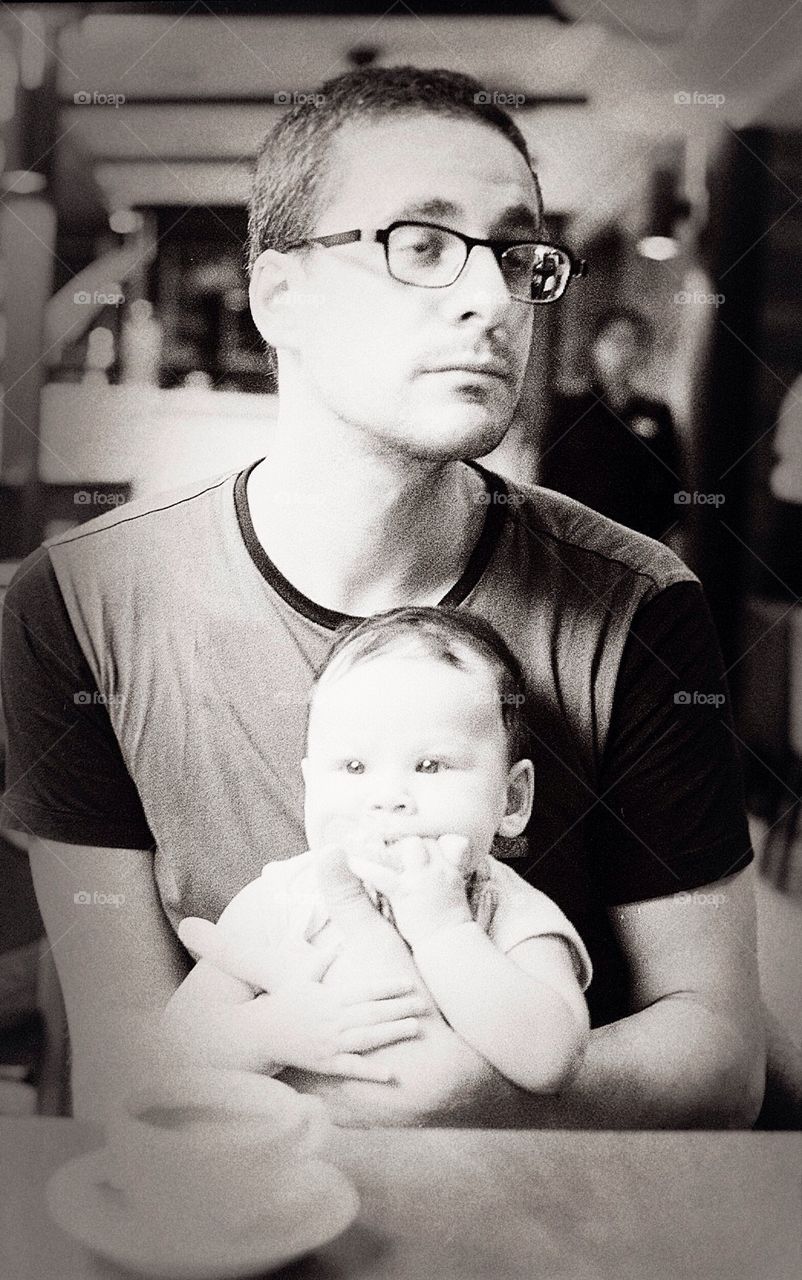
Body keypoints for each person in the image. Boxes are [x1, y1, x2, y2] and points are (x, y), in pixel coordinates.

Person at [1, 65, 764, 1129]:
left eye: (516, 255)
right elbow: (124, 1058)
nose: (492, 299)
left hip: (542, 1202)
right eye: (423, 244)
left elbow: (724, 1061)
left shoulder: (637, 601)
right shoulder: (78, 602)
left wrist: (467, 1097)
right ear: (280, 296)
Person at [164, 607, 591, 1115]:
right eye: (354, 766)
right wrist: (269, 1032)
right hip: (294, 1153)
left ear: (512, 799)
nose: (388, 798)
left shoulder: (508, 909)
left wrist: (445, 931)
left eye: (429, 765)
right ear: (310, 787)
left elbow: (551, 1061)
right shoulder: (284, 900)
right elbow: (175, 1050)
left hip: (447, 1160)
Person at [539, 308, 683, 542]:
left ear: (641, 352)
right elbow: (549, 477)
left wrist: (673, 537)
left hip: (639, 538)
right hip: (579, 537)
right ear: (595, 347)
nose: (621, 351)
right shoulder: (570, 408)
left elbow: (671, 485)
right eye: (614, 340)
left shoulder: (656, 412)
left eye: (630, 342)